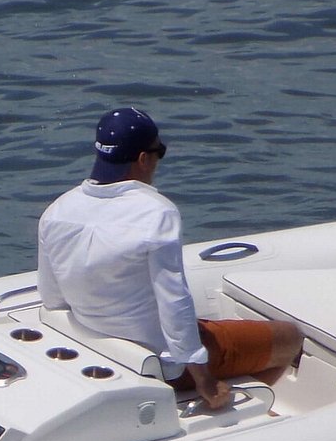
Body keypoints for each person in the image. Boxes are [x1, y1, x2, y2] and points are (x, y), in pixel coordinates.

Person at [37, 107, 301, 411]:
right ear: (143, 159)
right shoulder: (155, 212)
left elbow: (52, 299)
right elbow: (173, 301)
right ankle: (238, 413)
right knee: (290, 337)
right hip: (157, 362)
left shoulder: (57, 211)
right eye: (158, 151)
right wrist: (203, 378)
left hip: (96, 347)